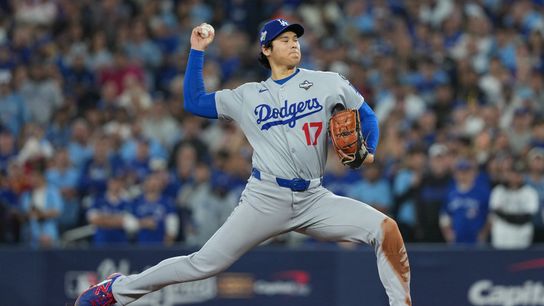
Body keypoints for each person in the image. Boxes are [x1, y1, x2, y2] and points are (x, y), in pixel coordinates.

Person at [75, 19, 411, 306]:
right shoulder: (246, 96)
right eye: (284, 40)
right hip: (266, 198)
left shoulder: (328, 82)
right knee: (202, 264)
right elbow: (194, 101)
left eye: (295, 39)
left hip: (314, 198)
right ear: (266, 50)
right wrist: (197, 50)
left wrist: (369, 150)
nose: (294, 44)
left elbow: (367, 116)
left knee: (386, 230)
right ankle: (117, 290)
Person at [490, 161, 538, 249]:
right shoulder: (499, 191)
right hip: (502, 231)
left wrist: (508, 216)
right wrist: (512, 216)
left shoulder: (530, 192)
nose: (515, 177)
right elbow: (496, 211)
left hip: (522, 232)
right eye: (513, 173)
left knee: (521, 260)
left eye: (518, 174)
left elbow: (528, 215)